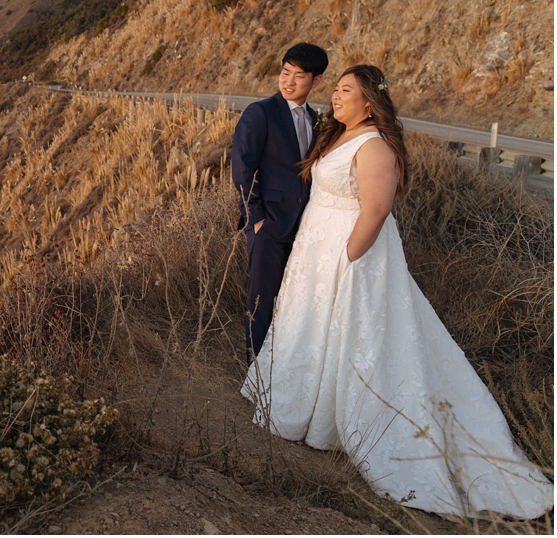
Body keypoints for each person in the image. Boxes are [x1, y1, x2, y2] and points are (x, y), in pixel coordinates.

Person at [241, 65, 554, 518]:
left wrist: (346, 259)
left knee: (354, 335)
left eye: (346, 90)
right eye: (336, 88)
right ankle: (304, 406)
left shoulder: (375, 146)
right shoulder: (339, 135)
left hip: (348, 254)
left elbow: (377, 209)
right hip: (317, 249)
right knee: (313, 326)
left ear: (370, 100)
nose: (336, 96)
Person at [231, 42, 328, 365]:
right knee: (261, 302)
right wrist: (256, 219)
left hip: (305, 227)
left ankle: (284, 366)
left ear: (316, 81)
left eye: (299, 76)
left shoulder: (316, 120)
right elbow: (242, 169)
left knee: (294, 301)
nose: (289, 81)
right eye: (285, 72)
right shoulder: (260, 113)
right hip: (269, 225)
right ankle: (255, 373)